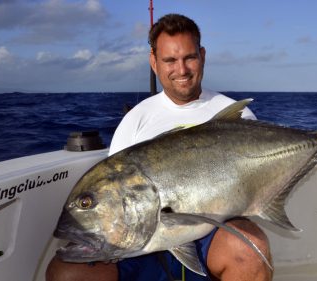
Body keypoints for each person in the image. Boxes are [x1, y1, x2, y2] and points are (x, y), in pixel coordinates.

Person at [46, 13, 272, 281]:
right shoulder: (136, 121)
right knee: (66, 273)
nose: (182, 69)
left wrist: (316, 145)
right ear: (154, 62)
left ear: (202, 55)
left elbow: (254, 188)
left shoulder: (236, 117)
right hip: (141, 251)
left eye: (189, 57)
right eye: (170, 60)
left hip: (209, 240)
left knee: (250, 249)